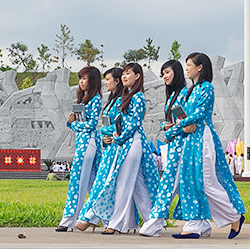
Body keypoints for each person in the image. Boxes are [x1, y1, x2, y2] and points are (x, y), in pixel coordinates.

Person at [163, 53, 246, 239]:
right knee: (190, 183)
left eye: (189, 65)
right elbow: (181, 113)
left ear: (200, 67)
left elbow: (199, 114)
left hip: (203, 138)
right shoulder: (190, 90)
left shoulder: (207, 88)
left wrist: (180, 124)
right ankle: (194, 225)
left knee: (206, 182)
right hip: (190, 138)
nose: (186, 68)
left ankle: (234, 216)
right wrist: (174, 123)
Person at [76, 63, 158, 235]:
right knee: (137, 184)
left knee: (123, 183)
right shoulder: (124, 97)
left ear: (138, 76)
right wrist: (112, 135)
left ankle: (115, 223)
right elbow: (115, 123)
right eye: (124, 74)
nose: (124, 77)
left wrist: (117, 137)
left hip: (131, 142)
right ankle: (152, 221)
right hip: (122, 142)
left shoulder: (138, 97)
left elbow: (134, 123)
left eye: (128, 74)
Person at [141, 59, 189, 237]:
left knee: (168, 184)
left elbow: (185, 122)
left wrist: (168, 131)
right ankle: (201, 223)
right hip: (175, 145)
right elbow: (176, 121)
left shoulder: (184, 94)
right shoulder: (173, 95)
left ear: (177, 72)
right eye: (162, 74)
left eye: (167, 72)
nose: (164, 77)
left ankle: (155, 222)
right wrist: (166, 127)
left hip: (182, 146)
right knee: (186, 186)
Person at [56, 65, 103, 232]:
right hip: (83, 142)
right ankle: (104, 217)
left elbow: (91, 125)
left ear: (93, 81)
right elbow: (80, 125)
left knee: (78, 182)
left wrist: (75, 124)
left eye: (84, 79)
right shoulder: (84, 100)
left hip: (88, 143)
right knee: (91, 183)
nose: (81, 82)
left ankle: (68, 220)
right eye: (80, 79)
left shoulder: (96, 99)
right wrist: (71, 122)